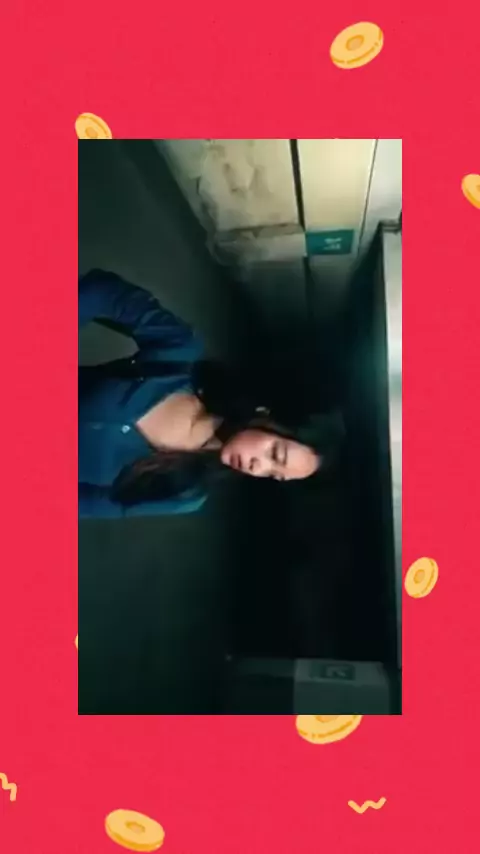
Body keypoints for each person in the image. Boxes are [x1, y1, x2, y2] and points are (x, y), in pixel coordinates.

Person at [79, 269, 333, 518]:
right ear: (268, 415)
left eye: (272, 475)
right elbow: (102, 291)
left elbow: (81, 504)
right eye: (275, 454)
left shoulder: (186, 495)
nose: (257, 468)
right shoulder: (179, 357)